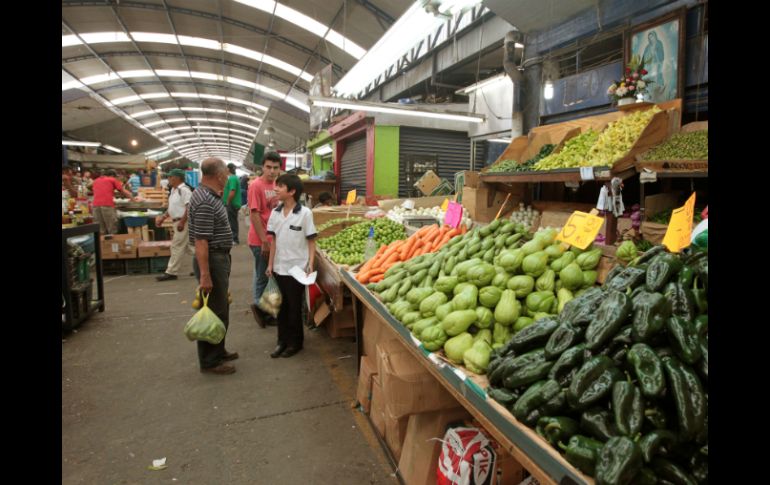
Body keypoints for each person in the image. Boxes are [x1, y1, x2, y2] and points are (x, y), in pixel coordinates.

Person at [188, 158, 239, 375]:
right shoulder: (205, 201)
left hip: (219, 258)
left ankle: (219, 350)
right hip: (212, 259)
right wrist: (205, 275)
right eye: (225, 174)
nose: (227, 178)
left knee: (220, 308)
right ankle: (210, 361)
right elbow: (201, 241)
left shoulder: (207, 195)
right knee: (214, 311)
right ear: (218, 175)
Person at [266, 174, 317, 358]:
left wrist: (310, 264)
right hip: (279, 267)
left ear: (292, 191)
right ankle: (281, 341)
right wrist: (270, 264)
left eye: (280, 186)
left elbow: (311, 241)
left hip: (297, 269)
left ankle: (296, 343)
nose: (276, 188)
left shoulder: (305, 214)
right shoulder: (275, 213)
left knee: (295, 307)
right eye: (276, 185)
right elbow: (274, 241)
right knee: (281, 307)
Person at [247, 152, 282, 328]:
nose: (271, 171)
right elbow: (254, 214)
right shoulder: (256, 186)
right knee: (262, 275)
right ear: (262, 167)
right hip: (260, 239)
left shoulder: (277, 185)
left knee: (266, 273)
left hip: (272, 239)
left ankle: (265, 308)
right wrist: (264, 241)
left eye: (275, 168)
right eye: (268, 167)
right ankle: (261, 311)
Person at [155, 169, 194, 281]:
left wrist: (182, 222)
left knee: (176, 246)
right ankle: (204, 266)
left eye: (170, 177)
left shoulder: (184, 190)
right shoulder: (173, 190)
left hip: (183, 222)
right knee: (189, 248)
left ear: (177, 178)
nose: (168, 179)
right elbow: (172, 208)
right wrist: (163, 217)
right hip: (177, 221)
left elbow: (189, 207)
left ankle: (171, 272)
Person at [92, 169, 133, 234]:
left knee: (100, 229)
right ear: (112, 175)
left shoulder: (96, 180)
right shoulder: (112, 179)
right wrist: (132, 198)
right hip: (107, 205)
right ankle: (112, 243)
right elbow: (124, 191)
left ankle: (102, 243)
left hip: (95, 206)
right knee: (112, 228)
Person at [222, 163, 242, 245]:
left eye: (225, 169)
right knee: (231, 221)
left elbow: (232, 191)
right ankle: (233, 238)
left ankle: (235, 239)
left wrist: (227, 201)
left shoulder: (232, 178)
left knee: (232, 221)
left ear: (228, 169)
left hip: (232, 203)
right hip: (233, 203)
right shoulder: (233, 178)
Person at [643, 30, 665, 98]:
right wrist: (648, 55)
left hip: (657, 64)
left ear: (655, 36)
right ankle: (650, 93)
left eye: (652, 37)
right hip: (649, 66)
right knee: (649, 78)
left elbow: (662, 55)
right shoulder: (647, 47)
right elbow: (644, 58)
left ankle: (658, 90)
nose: (651, 39)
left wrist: (656, 53)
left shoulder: (659, 43)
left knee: (657, 77)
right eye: (649, 38)